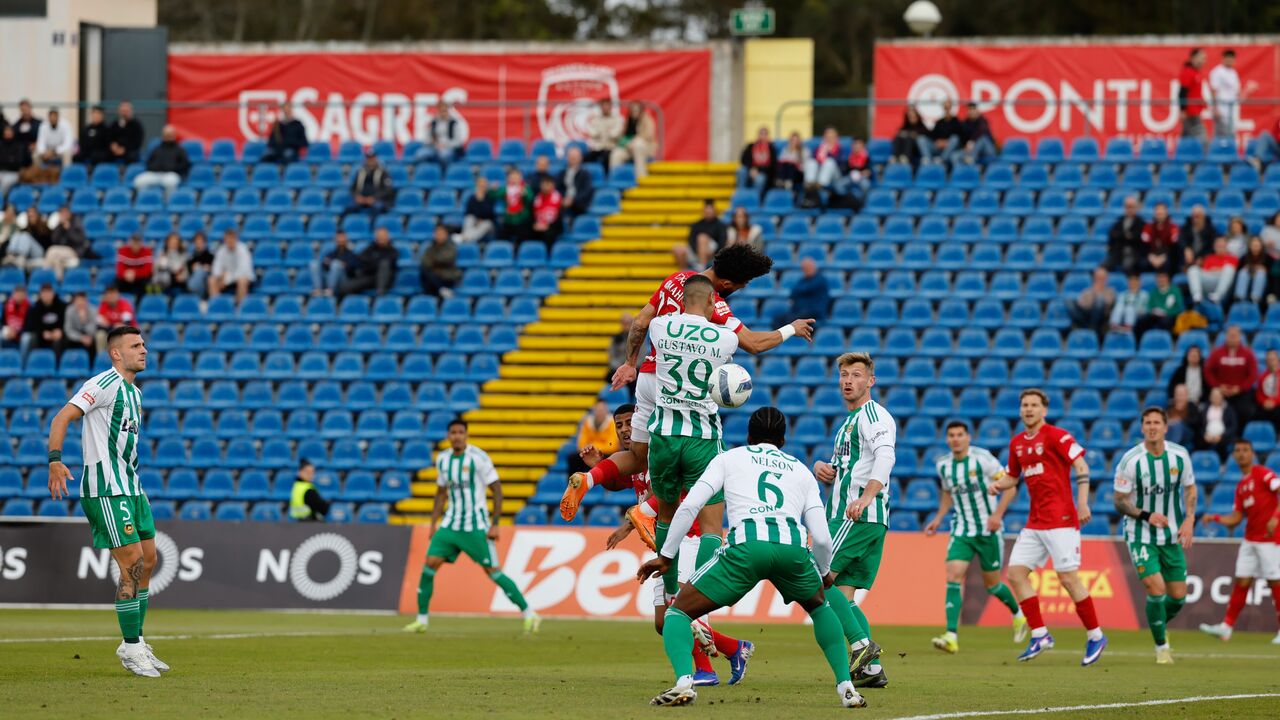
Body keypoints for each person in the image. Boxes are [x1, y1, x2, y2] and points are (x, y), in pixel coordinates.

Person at [561, 244, 813, 522]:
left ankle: (588, 480)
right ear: (727, 283)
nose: (740, 289)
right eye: (742, 285)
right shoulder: (713, 302)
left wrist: (630, 363)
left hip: (646, 376)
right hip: (674, 385)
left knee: (637, 456)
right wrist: (792, 328)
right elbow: (753, 343)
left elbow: (641, 320)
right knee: (696, 465)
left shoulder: (675, 280)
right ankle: (645, 514)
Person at [636, 407, 867, 709]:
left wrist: (667, 556)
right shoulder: (800, 469)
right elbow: (821, 537)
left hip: (746, 547)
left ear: (748, 435)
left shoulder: (729, 458)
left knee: (677, 614)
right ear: (783, 439)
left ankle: (684, 683)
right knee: (821, 608)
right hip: (792, 549)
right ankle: (846, 688)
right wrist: (823, 572)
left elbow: (691, 505)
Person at [594, 404, 751, 687]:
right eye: (619, 425)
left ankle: (705, 670)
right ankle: (734, 648)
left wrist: (631, 523)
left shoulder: (663, 451)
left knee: (682, 606)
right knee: (662, 622)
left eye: (630, 422)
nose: (625, 429)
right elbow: (621, 482)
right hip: (666, 544)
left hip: (690, 537)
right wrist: (597, 467)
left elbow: (673, 494)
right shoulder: (639, 460)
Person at [46, 326, 168, 678]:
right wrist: (55, 459)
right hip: (106, 490)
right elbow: (62, 417)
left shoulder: (135, 394)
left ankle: (138, 642)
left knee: (148, 561)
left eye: (144, 344)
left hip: (132, 487)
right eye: (135, 345)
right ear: (116, 353)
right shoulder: (102, 384)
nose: (143, 350)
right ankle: (130, 649)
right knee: (130, 563)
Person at [991, 388, 1106, 665]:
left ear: (1044, 410)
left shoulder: (1057, 435)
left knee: (1068, 579)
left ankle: (1095, 635)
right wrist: (997, 484)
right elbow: (1013, 477)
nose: (1028, 409)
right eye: (1024, 405)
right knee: (1016, 574)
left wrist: (1082, 503)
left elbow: (1082, 467)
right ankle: (1040, 634)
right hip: (1035, 522)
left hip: (1062, 520)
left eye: (1034, 405)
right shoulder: (1017, 443)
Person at [403, 418, 540, 635]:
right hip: (450, 525)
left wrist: (495, 524)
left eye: (460, 432)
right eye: (453, 432)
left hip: (476, 526)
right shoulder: (443, 460)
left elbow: (497, 490)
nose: (456, 436)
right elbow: (441, 493)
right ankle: (421, 620)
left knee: (493, 572)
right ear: (448, 436)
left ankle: (529, 613)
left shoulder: (478, 458)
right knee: (429, 567)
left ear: (466, 435)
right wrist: (433, 523)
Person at [811, 352, 897, 688]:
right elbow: (849, 468)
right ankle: (871, 669)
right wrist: (827, 472)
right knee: (842, 596)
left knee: (817, 580)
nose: (849, 380)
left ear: (870, 381)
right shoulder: (850, 421)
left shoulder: (873, 415)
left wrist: (866, 496)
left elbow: (885, 456)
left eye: (857, 374)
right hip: (860, 516)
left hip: (857, 515)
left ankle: (862, 646)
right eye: (844, 374)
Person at [924, 421, 1027, 654]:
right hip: (962, 529)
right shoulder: (943, 465)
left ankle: (1018, 614)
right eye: (951, 435)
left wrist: (998, 515)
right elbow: (948, 493)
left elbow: (1010, 487)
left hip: (988, 530)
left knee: (992, 586)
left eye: (960, 435)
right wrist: (939, 518)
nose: (956, 439)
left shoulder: (983, 459)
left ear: (968, 437)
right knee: (953, 575)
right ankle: (951, 635)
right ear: (947, 439)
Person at [1113, 407, 1198, 664]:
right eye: (1147, 423)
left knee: (1178, 597)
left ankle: (1156, 622)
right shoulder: (1131, 460)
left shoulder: (1180, 456)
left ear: (1165, 427)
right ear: (1142, 428)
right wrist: (1146, 515)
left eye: (1156, 423)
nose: (1152, 427)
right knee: (1155, 587)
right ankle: (1162, 648)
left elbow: (1190, 489)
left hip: (1171, 535)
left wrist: (1190, 519)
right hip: (1140, 534)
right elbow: (1119, 501)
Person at [1198, 439, 1280, 645]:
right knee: (1242, 581)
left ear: (1252, 453)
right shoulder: (1242, 486)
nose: (1241, 454)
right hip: (1250, 539)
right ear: (1234, 456)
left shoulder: (1263, 473)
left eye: (1245, 450)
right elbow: (1236, 517)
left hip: (1270, 539)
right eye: (1237, 450)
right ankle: (1226, 628)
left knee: (1275, 582)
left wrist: (1275, 517)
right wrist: (1215, 518)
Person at [1206, 325, 1259, 424]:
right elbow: (1208, 371)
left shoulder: (1248, 354)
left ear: (1240, 337)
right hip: (1221, 392)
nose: (1233, 339)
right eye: (1230, 336)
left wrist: (1240, 388)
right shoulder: (1216, 353)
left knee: (1247, 411)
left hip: (1241, 393)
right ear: (1226, 337)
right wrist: (1218, 386)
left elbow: (1253, 374)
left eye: (1235, 336)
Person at [1208, 49, 1257, 139]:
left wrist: (1247, 90)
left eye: (1232, 59)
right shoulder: (1217, 72)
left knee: (1228, 138)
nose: (1230, 61)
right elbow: (1213, 90)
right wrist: (1215, 108)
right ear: (1223, 58)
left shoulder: (1234, 73)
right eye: (1228, 58)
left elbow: (1237, 96)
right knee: (1224, 138)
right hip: (1221, 111)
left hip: (1232, 112)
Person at [337, 227, 398, 298]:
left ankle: (380, 296)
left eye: (383, 236)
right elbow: (360, 258)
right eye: (379, 236)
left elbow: (387, 263)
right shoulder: (371, 248)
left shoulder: (393, 251)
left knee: (384, 264)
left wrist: (371, 262)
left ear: (387, 237)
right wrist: (374, 263)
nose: (381, 238)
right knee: (344, 287)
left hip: (384, 280)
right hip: (369, 277)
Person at [132, 125, 191, 198]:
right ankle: (146, 200)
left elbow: (184, 164)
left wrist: (173, 169)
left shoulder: (180, 149)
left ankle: (168, 203)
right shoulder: (157, 149)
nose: (168, 137)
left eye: (170, 135)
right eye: (166, 135)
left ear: (174, 135)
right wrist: (153, 167)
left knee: (170, 183)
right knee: (139, 181)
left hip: (170, 174)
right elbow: (149, 161)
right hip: (155, 173)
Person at [774, 257, 830, 327]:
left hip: (814, 312)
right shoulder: (803, 280)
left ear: (813, 267)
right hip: (799, 311)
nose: (805, 270)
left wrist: (801, 290)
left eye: (807, 267)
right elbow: (793, 292)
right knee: (778, 319)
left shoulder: (820, 279)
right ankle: (777, 337)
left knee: (791, 320)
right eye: (804, 268)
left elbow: (807, 288)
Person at [570, 399, 618, 477]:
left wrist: (594, 448)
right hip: (590, 452)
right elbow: (581, 444)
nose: (600, 413)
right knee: (573, 459)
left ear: (606, 411)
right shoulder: (587, 422)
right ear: (594, 411)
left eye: (602, 410)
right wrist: (590, 450)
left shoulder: (611, 423)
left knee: (610, 459)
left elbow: (612, 446)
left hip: (604, 453)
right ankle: (575, 484)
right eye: (598, 410)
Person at [676, 199, 727, 271]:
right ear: (703, 211)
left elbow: (722, 242)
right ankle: (683, 273)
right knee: (678, 249)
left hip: (713, 252)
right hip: (697, 251)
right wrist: (698, 252)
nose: (708, 213)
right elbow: (691, 241)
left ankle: (702, 269)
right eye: (707, 211)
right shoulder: (696, 225)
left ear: (715, 211)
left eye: (710, 211)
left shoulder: (721, 225)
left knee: (702, 238)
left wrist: (714, 253)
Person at [342, 150, 395, 219]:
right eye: (369, 158)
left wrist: (374, 198)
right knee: (349, 208)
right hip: (362, 199)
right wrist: (357, 197)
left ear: (376, 159)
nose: (370, 160)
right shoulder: (360, 172)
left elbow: (388, 189)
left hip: (377, 199)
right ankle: (343, 226)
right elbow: (353, 188)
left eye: (372, 158)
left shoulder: (383, 172)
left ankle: (372, 227)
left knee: (377, 207)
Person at [1066, 266, 1116, 337]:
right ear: (1094, 278)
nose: (1100, 280)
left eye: (1102, 278)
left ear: (1106, 279)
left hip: (1102, 317)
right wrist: (1094, 291)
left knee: (1099, 301)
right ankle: (1085, 326)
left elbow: (1108, 303)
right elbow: (1083, 304)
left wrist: (1098, 292)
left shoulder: (1110, 291)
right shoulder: (1087, 290)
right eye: (1098, 278)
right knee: (1069, 302)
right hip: (1086, 314)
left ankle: (1092, 329)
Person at [610, 100, 656, 178]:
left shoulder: (647, 119)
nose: (634, 112)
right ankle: (615, 179)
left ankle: (641, 178)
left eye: (636, 110)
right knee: (616, 154)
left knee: (638, 144)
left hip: (644, 147)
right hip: (629, 147)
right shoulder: (628, 120)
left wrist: (634, 139)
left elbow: (649, 135)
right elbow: (623, 135)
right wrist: (621, 140)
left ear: (641, 110)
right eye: (632, 110)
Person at [1187, 236, 1238, 306]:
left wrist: (1216, 269)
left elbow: (1231, 273)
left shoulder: (1233, 258)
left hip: (1223, 283)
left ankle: (1218, 295)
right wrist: (1219, 269)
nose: (1220, 247)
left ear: (1227, 246)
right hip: (1209, 281)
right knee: (1193, 269)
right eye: (1218, 245)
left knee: (1229, 268)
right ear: (1214, 246)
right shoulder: (1209, 258)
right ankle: (1197, 295)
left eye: (1222, 245)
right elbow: (1206, 271)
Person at [46, 206, 93, 280]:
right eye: (61, 213)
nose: (63, 215)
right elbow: (54, 240)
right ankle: (58, 280)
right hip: (61, 252)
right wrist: (59, 227)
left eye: (65, 212)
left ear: (69, 213)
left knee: (52, 251)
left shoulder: (76, 223)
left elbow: (79, 240)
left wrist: (69, 229)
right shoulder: (59, 225)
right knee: (56, 261)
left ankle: (46, 274)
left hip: (75, 251)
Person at [208, 230, 254, 304]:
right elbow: (216, 268)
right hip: (226, 278)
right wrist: (220, 276)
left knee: (242, 280)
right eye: (228, 239)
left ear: (236, 239)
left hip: (243, 279)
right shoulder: (221, 250)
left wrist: (226, 279)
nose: (230, 241)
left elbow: (242, 271)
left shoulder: (243, 249)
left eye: (231, 238)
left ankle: (239, 308)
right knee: (212, 280)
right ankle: (216, 306)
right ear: (225, 240)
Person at [1135, 271, 1185, 340]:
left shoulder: (1175, 291)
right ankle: (1139, 343)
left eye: (1163, 277)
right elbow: (1149, 306)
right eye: (1158, 277)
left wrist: (1166, 312)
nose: (1160, 279)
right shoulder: (1153, 292)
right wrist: (1153, 311)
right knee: (1141, 321)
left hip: (1170, 315)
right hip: (1155, 316)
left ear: (1168, 278)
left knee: (1166, 322)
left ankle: (1166, 343)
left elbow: (1178, 306)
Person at [310, 231, 358, 297]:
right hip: (329, 278)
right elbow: (324, 265)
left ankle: (330, 290)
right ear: (335, 239)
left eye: (342, 237)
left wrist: (341, 265)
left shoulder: (351, 254)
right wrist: (338, 264)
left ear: (346, 239)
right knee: (314, 264)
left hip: (343, 281)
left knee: (336, 264)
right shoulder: (332, 253)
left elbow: (353, 268)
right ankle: (318, 290)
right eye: (338, 238)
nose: (340, 240)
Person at [491, 168, 533, 242]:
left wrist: (525, 194)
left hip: (522, 220)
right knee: (502, 239)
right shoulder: (506, 188)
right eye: (512, 177)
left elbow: (530, 199)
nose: (514, 179)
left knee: (524, 239)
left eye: (516, 176)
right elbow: (494, 195)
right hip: (509, 219)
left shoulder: (525, 187)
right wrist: (493, 190)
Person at [419, 224, 460, 298]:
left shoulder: (451, 246)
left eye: (441, 233)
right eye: (437, 233)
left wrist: (434, 261)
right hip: (434, 276)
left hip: (447, 276)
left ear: (446, 234)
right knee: (424, 270)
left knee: (429, 275)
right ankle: (441, 289)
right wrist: (435, 262)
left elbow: (447, 259)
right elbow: (424, 262)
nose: (439, 235)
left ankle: (440, 290)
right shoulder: (431, 247)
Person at [919, 99, 962, 165]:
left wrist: (946, 142)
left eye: (948, 107)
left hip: (949, 148)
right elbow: (933, 134)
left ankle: (942, 160)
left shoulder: (956, 121)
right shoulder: (939, 122)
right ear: (943, 108)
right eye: (945, 107)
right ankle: (928, 160)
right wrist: (937, 141)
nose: (947, 109)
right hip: (938, 147)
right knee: (921, 139)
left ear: (951, 108)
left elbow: (960, 136)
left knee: (954, 138)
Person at [1178, 48, 1209, 141]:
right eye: (1202, 58)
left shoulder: (1196, 72)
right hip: (1191, 111)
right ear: (1193, 58)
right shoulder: (1188, 72)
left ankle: (1180, 153)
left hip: (1195, 109)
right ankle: (1206, 155)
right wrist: (1182, 110)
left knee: (1186, 136)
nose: (1204, 61)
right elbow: (1182, 91)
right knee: (1202, 137)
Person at [25, 283, 66, 352]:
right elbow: (32, 325)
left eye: (48, 292)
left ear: (53, 293)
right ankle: (32, 360)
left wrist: (61, 331)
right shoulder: (35, 307)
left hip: (56, 334)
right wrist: (42, 333)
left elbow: (66, 322)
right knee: (32, 338)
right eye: (44, 293)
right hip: (42, 335)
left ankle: (57, 362)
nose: (46, 295)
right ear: (40, 295)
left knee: (59, 341)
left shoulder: (62, 306)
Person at [1141, 202, 1180, 274]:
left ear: (1166, 213)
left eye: (1162, 210)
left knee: (1171, 264)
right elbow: (1144, 245)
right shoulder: (1148, 227)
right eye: (1157, 210)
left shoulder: (1173, 227)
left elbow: (1174, 246)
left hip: (1167, 256)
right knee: (1141, 263)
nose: (1159, 212)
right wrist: (1151, 257)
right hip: (1152, 256)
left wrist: (1163, 257)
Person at [1, 203, 43, 269]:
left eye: (33, 214)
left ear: (37, 215)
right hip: (27, 252)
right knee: (17, 234)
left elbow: (46, 242)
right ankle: (10, 255)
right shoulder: (25, 228)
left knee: (25, 235)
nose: (31, 215)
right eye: (29, 214)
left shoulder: (44, 227)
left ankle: (20, 257)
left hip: (39, 251)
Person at [556, 145, 594, 219]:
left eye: (575, 157)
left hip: (579, 206)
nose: (573, 159)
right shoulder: (562, 173)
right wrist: (563, 199)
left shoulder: (585, 174)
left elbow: (587, 191)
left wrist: (573, 200)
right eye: (571, 157)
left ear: (580, 158)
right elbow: (557, 188)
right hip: (563, 204)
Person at [456, 176, 496, 243]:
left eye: (484, 185)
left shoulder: (490, 197)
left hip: (487, 222)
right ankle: (467, 238)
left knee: (486, 224)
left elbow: (490, 214)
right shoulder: (472, 198)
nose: (482, 187)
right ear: (477, 186)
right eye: (480, 185)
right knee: (469, 218)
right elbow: (468, 212)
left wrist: (481, 201)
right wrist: (477, 219)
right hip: (475, 220)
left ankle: (464, 237)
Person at [1201, 387, 1239, 457]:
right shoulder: (1205, 409)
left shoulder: (1229, 409)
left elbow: (1233, 426)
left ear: (1222, 397)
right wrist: (1205, 434)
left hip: (1224, 438)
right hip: (1208, 437)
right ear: (1210, 397)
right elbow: (1200, 425)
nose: (1215, 398)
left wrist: (1221, 436)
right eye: (1213, 396)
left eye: (1217, 396)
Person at [586, 98, 623, 168]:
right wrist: (607, 130)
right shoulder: (595, 120)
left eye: (607, 105)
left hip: (611, 147)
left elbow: (615, 134)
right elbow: (593, 133)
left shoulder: (617, 119)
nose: (605, 108)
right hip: (598, 148)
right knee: (586, 158)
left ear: (610, 107)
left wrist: (603, 132)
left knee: (607, 158)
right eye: (603, 106)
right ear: (601, 107)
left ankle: (608, 178)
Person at [1236, 235, 1272, 304]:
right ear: (1249, 246)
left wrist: (1264, 269)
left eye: (1257, 244)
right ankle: (1240, 297)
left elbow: (1271, 274)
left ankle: (1255, 298)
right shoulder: (1244, 257)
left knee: (1260, 273)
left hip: (1263, 282)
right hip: (1247, 278)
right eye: (1253, 244)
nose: (1255, 246)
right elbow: (1238, 271)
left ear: (1261, 245)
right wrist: (1249, 268)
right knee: (1243, 272)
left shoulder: (1268, 258)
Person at [115, 235, 154, 299]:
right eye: (134, 243)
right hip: (126, 277)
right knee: (116, 283)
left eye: (137, 243)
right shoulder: (122, 251)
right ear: (130, 243)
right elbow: (119, 269)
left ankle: (141, 303)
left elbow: (147, 270)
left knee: (147, 283)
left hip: (140, 278)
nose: (135, 245)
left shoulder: (147, 251)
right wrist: (126, 274)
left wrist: (134, 273)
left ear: (141, 243)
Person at [740, 126, 776, 192]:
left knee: (760, 179)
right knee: (741, 171)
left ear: (767, 136)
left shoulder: (771, 148)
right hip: (751, 170)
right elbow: (743, 159)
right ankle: (741, 195)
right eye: (761, 134)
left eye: (765, 134)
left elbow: (773, 165)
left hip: (763, 172)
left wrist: (758, 171)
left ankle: (754, 199)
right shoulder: (751, 146)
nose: (762, 136)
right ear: (758, 135)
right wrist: (751, 169)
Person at [530, 175, 563, 247]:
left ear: (553, 185)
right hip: (538, 225)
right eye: (543, 184)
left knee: (548, 235)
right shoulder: (536, 198)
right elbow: (532, 214)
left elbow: (560, 218)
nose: (545, 187)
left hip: (552, 227)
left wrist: (548, 226)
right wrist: (535, 225)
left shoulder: (558, 198)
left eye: (547, 184)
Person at [63, 292, 98, 360]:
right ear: (74, 301)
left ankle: (91, 365)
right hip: (75, 337)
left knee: (93, 342)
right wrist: (81, 338)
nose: (80, 303)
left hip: (88, 336)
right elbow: (68, 330)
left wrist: (83, 321)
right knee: (64, 342)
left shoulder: (93, 310)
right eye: (78, 300)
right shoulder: (69, 310)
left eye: (82, 300)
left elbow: (93, 329)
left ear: (86, 301)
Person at [0, 125, 31, 198]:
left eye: (9, 131)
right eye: (6, 131)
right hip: (1, 171)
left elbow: (19, 162)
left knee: (5, 183)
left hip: (14, 173)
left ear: (13, 132)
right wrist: (9, 161)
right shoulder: (0, 144)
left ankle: (1, 203)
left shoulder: (19, 145)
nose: (8, 133)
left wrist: (6, 161)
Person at [1255, 350, 1280, 429]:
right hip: (1266, 405)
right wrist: (1264, 402)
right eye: (1268, 360)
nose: (1271, 362)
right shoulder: (1262, 376)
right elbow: (1259, 393)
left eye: (1273, 359)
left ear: (1278, 360)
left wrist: (1274, 402)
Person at [1, 284, 28, 349]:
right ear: (13, 294)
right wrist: (8, 330)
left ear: (25, 295)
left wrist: (17, 333)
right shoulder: (7, 305)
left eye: (21, 295)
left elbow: (29, 326)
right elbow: (3, 322)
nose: (19, 297)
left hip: (22, 333)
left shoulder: (29, 307)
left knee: (26, 338)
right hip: (10, 331)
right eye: (17, 294)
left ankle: (23, 359)